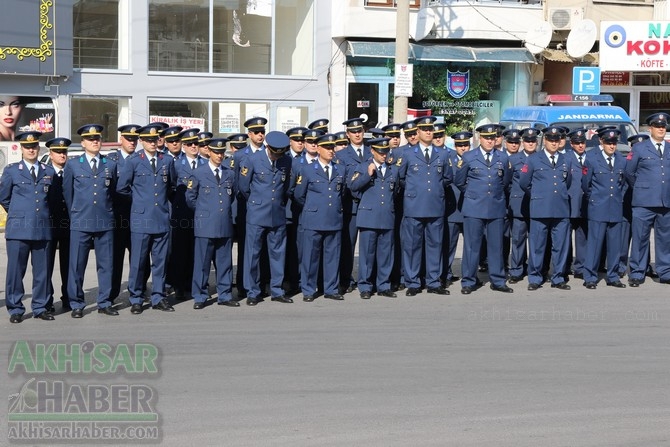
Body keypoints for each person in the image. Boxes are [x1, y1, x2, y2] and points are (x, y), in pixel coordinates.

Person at [116, 123, 178, 314]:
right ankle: (136, 297)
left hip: (161, 218)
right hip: (141, 220)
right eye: (148, 140)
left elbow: (172, 187)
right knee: (138, 262)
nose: (152, 143)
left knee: (160, 261)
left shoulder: (166, 161)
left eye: (155, 139)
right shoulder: (133, 161)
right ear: (141, 141)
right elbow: (122, 188)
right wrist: (140, 203)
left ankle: (158, 296)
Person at [63, 124, 118, 318]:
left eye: (98, 138)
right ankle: (77, 303)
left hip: (105, 221)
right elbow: (68, 194)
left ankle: (105, 301)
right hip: (81, 220)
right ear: (83, 143)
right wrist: (76, 214)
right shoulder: (73, 164)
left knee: (106, 264)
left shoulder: (110, 164)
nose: (95, 142)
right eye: (91, 139)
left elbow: (113, 193)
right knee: (77, 265)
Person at [0, 131, 55, 323]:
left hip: (42, 228)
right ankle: (15, 308)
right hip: (18, 229)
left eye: (34, 146)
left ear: (38, 148)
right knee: (15, 271)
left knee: (43, 271)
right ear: (22, 149)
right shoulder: (12, 170)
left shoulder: (48, 172)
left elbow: (53, 200)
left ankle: (40, 307)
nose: (31, 149)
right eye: (27, 146)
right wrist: (19, 213)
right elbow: (4, 197)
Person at [397, 116, 453, 296]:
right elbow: (401, 178)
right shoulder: (407, 154)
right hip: (414, 206)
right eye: (425, 129)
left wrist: (433, 191)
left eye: (431, 129)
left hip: (435, 205)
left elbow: (447, 177)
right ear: (418, 132)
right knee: (412, 245)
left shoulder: (443, 154)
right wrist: (416, 191)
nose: (429, 132)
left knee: (435, 245)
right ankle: (413, 282)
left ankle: (433, 281)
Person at [455, 124, 513, 295]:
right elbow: (460, 181)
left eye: (492, 138)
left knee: (496, 246)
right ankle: (468, 281)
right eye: (486, 138)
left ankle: (498, 280)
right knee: (472, 247)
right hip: (474, 207)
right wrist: (474, 194)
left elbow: (505, 181)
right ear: (479, 139)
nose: (490, 141)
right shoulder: (469, 157)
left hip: (495, 206)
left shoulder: (503, 157)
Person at [239, 131, 293, 305]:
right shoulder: (252, 159)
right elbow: (244, 188)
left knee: (278, 254)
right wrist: (257, 203)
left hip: (277, 214)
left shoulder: (286, 160)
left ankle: (277, 290)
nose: (277, 157)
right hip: (257, 214)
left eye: (280, 153)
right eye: (275, 153)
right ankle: (252, 292)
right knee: (253, 254)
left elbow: (285, 187)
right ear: (268, 147)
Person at [293, 133, 348, 302]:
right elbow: (299, 195)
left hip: (333, 219)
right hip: (314, 219)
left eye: (333, 147)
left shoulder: (340, 169)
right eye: (327, 147)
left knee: (333, 256)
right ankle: (308, 289)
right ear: (318, 148)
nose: (331, 151)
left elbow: (342, 192)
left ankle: (330, 288)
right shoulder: (308, 169)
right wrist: (313, 209)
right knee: (310, 257)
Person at [519, 125, 573, 290]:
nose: (554, 143)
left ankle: (558, 277)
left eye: (557, 140)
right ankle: (535, 278)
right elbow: (524, 183)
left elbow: (568, 181)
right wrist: (538, 195)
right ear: (545, 140)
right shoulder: (534, 159)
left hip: (561, 209)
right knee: (537, 245)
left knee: (560, 246)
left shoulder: (566, 159)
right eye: (551, 140)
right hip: (540, 209)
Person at [187, 138, 237, 309]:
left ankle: (225, 294)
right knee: (202, 263)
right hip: (205, 225)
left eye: (222, 152)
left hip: (224, 224)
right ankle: (200, 296)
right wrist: (204, 213)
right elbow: (190, 198)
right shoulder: (199, 173)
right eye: (216, 152)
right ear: (208, 152)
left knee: (224, 262)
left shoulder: (229, 173)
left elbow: (233, 195)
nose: (219, 155)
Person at [348, 137, 399, 299]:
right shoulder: (363, 167)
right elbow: (353, 187)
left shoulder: (393, 170)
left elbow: (395, 191)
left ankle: (383, 285)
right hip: (368, 217)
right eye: (380, 152)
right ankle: (365, 286)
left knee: (385, 254)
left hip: (386, 216)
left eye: (386, 152)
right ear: (372, 151)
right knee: (367, 255)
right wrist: (367, 175)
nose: (383, 155)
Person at [625, 112, 670, 286]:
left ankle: (665, 271)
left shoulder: (668, 147)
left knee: (665, 239)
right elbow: (630, 172)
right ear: (650, 128)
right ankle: (637, 272)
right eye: (657, 126)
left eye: (663, 126)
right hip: (644, 202)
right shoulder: (639, 148)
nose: (661, 129)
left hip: (665, 202)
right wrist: (643, 187)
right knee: (640, 238)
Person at [581, 129, 627, 289]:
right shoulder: (592, 158)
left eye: (614, 143)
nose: (612, 146)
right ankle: (590, 277)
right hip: (598, 207)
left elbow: (623, 183)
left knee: (615, 245)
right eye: (608, 142)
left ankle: (613, 276)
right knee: (594, 244)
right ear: (601, 141)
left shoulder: (621, 159)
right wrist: (594, 199)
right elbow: (586, 184)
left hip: (615, 207)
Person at [232, 117, 268, 298]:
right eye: (256, 132)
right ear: (249, 134)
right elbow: (239, 185)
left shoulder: (270, 152)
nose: (260, 135)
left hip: (266, 208)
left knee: (264, 249)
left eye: (262, 132)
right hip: (247, 207)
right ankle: (243, 285)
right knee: (246, 248)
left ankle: (263, 284)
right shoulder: (240, 155)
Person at [107, 124, 143, 303]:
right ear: (121, 139)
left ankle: (138, 290)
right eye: (129, 139)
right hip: (118, 217)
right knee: (115, 257)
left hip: (139, 217)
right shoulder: (112, 160)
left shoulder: (142, 159)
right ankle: (112, 293)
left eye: (135, 139)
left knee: (139, 256)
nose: (132, 142)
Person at [336, 117, 371, 294]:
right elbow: (342, 183)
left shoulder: (373, 151)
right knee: (347, 246)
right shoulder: (341, 156)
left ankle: (367, 279)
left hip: (370, 206)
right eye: (353, 132)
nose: (357, 134)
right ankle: (345, 279)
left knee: (367, 247)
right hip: (350, 206)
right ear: (348, 135)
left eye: (360, 131)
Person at [168, 128, 203, 301]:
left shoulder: (205, 163)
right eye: (189, 144)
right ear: (183, 146)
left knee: (196, 252)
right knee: (180, 252)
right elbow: (171, 187)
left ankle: (193, 284)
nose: (193, 146)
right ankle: (179, 286)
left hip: (201, 216)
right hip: (181, 215)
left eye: (195, 143)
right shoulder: (175, 164)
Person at [507, 128, 540, 283]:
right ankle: (516, 270)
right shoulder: (513, 160)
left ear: (537, 142)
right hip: (519, 204)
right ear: (522, 142)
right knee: (518, 240)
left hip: (537, 205)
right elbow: (506, 183)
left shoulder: (542, 158)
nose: (530, 143)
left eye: (533, 141)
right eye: (527, 141)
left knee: (536, 241)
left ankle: (535, 269)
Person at [45, 137, 72, 313]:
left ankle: (68, 297)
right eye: (58, 152)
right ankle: (46, 300)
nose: (62, 155)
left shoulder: (72, 170)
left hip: (69, 224)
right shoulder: (44, 171)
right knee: (45, 265)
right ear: (50, 154)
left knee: (69, 264)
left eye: (64, 152)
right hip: (48, 225)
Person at [442, 131, 471, 287]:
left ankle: (469, 274)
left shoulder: (474, 158)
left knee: (470, 246)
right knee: (449, 245)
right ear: (455, 146)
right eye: (460, 145)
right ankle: (445, 273)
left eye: (465, 145)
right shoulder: (449, 160)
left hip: (470, 209)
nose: (463, 148)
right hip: (453, 210)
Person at [565, 128, 589, 280]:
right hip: (568, 204)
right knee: (565, 238)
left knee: (583, 238)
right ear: (571, 144)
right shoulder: (565, 158)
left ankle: (580, 267)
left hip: (585, 204)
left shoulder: (591, 157)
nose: (580, 145)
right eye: (577, 143)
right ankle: (565, 266)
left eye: (583, 142)